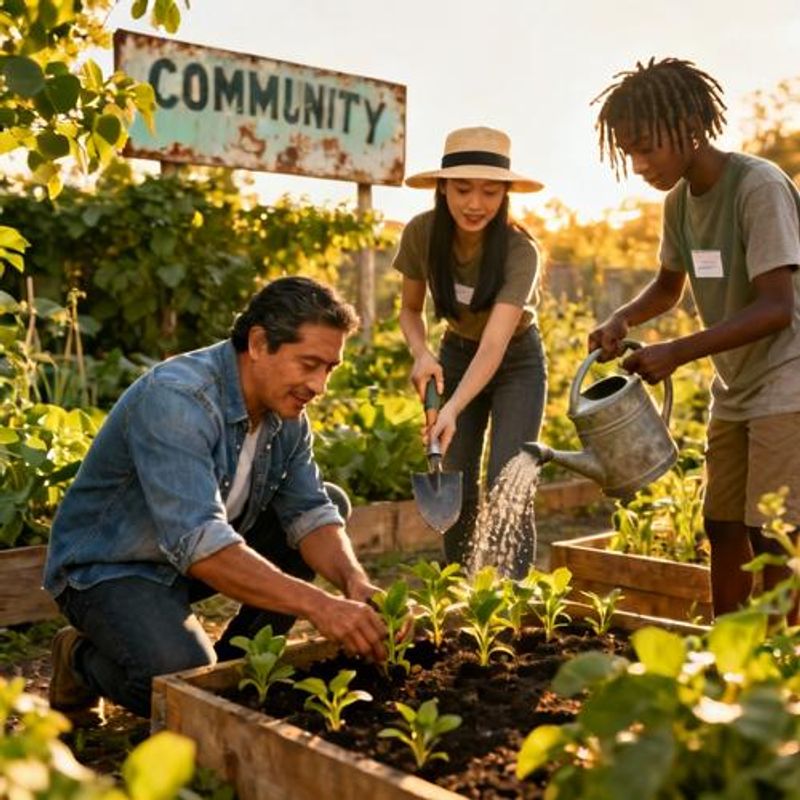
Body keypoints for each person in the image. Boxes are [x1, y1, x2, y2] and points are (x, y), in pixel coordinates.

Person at [44, 276, 388, 718]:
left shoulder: (287, 417)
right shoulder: (179, 399)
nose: (319, 385)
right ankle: (78, 658)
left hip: (185, 560)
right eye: (308, 364)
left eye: (329, 369)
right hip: (109, 568)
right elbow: (200, 542)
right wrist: (320, 606)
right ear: (260, 343)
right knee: (178, 678)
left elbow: (309, 511)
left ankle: (233, 673)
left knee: (330, 503)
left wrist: (353, 583)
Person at [589, 57, 800, 621]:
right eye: (628, 151)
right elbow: (667, 286)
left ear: (688, 122)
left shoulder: (758, 186)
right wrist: (623, 320)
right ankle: (728, 648)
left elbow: (778, 308)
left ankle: (782, 665)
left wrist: (678, 352)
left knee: (774, 533)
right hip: (734, 383)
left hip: (787, 378)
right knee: (722, 522)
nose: (638, 164)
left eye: (646, 147)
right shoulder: (679, 201)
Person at [393, 126, 547, 576]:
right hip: (455, 354)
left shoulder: (521, 251)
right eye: (462, 189)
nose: (475, 204)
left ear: (505, 195)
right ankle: (465, 590)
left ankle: (511, 596)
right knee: (455, 478)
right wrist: (421, 353)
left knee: (508, 479)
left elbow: (496, 343)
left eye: (490, 192)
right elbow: (408, 309)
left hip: (516, 361)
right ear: (443, 187)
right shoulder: (422, 234)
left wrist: (452, 408)